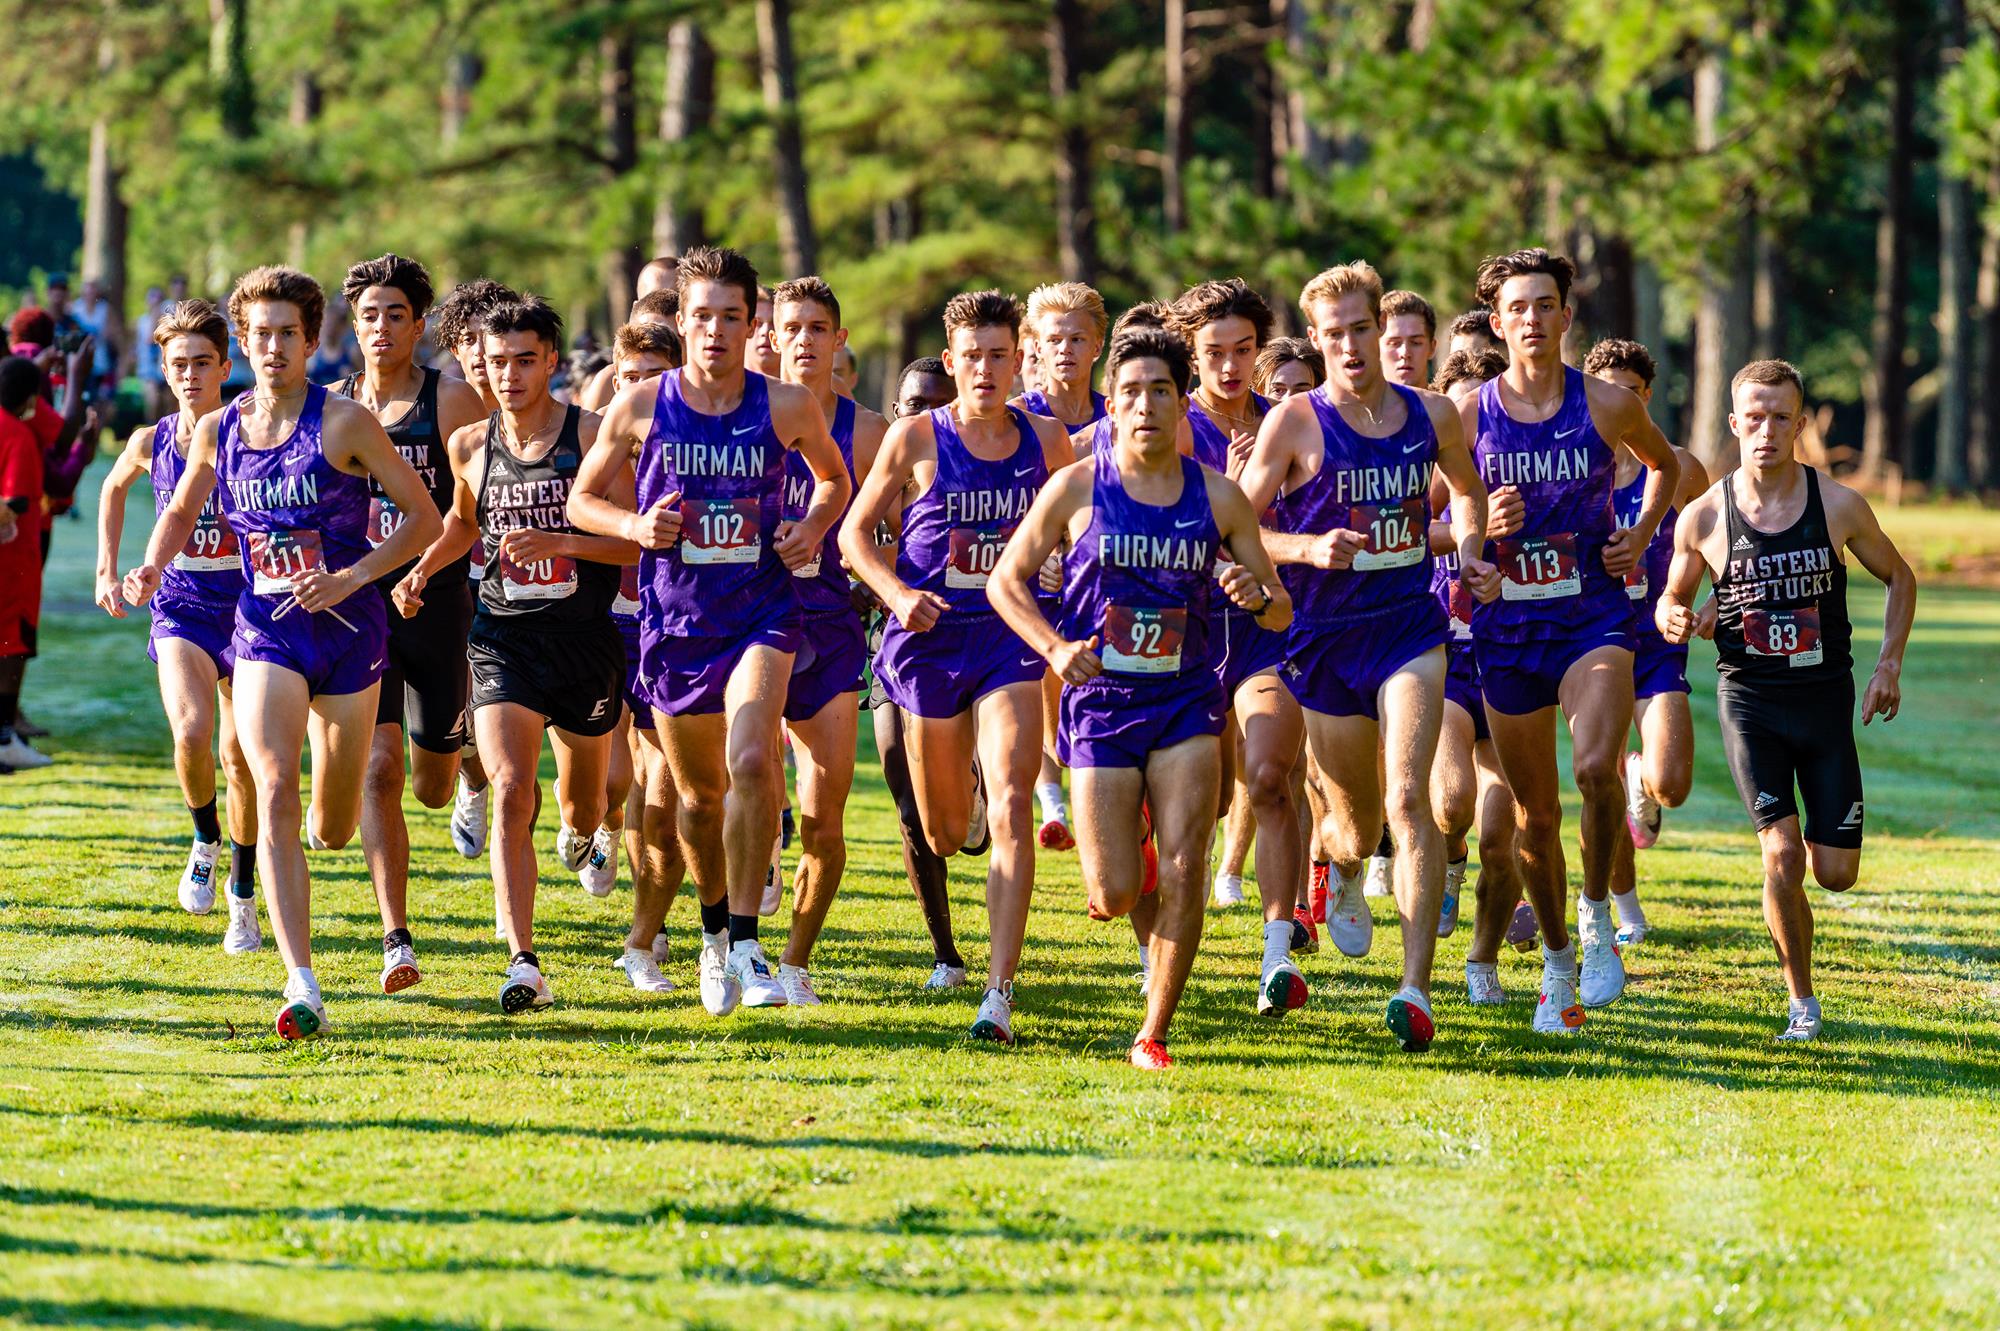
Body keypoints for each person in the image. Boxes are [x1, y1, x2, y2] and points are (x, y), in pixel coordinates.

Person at [128, 264, 441, 1039]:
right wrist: (151, 563)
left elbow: (425, 516)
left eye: (286, 335)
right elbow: (178, 509)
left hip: (348, 631)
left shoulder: (344, 424)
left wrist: (352, 576)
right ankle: (302, 980)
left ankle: (316, 842)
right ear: (243, 341)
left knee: (331, 821)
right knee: (270, 783)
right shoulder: (217, 429)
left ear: (311, 341)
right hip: (265, 628)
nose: (272, 347)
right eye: (258, 334)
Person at [991, 326, 1294, 1068]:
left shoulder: (1219, 498)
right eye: (1130, 392)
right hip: (1099, 705)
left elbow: (1281, 608)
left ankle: (1152, 1029)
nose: (1146, 405)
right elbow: (1006, 580)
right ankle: (1136, 869)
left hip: (1187, 701)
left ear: (1182, 402)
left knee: (1190, 861)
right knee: (1117, 887)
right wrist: (1056, 649)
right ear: (1112, 404)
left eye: (1161, 390)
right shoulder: (1077, 486)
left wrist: (1253, 593)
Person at [572, 245, 852, 1016]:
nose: (718, 331)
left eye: (734, 316)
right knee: (697, 797)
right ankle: (713, 934)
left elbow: (835, 477)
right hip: (678, 622)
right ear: (682, 321)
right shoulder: (639, 406)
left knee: (754, 756)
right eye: (703, 316)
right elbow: (579, 502)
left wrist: (813, 526)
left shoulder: (786, 405)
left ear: (751, 321)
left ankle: (750, 942)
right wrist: (634, 521)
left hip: (762, 609)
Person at [1240, 261, 1496, 1052]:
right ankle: (1342, 865)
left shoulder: (1433, 414)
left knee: (1408, 798)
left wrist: (1476, 553)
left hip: (1408, 630)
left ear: (1381, 330)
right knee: (1354, 824)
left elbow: (1469, 494)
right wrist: (1307, 546)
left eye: (1362, 330)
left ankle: (1415, 989)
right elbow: (1237, 526)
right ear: (1314, 342)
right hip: (1324, 644)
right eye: (1335, 335)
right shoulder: (1295, 422)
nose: (1351, 346)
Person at [840, 289, 1075, 1044]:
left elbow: (1075, 533)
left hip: (1008, 639)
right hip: (928, 641)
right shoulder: (914, 437)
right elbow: (853, 536)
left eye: (999, 356)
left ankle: (998, 992)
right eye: (971, 357)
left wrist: (1064, 575)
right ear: (951, 361)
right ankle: (962, 790)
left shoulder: (1047, 441)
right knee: (944, 833)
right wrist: (898, 594)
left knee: (1012, 806)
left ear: (1019, 361)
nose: (984, 370)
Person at [1657, 359, 1914, 1041]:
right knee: (1782, 855)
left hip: (1825, 701)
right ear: (1734, 422)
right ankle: (1802, 1003)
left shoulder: (1837, 505)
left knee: (1835, 873)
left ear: (1800, 426)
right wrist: (1673, 616)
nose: (1766, 430)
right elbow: (1670, 599)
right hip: (1751, 703)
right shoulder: (1705, 515)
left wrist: (1889, 664)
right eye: (1754, 416)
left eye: (1781, 417)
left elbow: (1900, 576)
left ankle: (1806, 872)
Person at [1459, 248, 1680, 1034]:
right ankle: (1555, 961)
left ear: (1565, 316)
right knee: (1534, 812)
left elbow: (1667, 465)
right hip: (1509, 626)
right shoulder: (1465, 411)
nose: (1531, 319)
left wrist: (1641, 532)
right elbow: (1435, 508)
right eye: (1517, 307)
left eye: (1544, 304)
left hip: (1591, 612)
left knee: (1594, 769)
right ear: (1498, 322)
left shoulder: (1608, 402)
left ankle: (1595, 921)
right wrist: (1478, 533)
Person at [399, 295, 635, 1013]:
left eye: (524, 361)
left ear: (552, 362)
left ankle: (586, 827)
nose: (508, 374)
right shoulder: (469, 443)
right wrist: (421, 569)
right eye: (497, 361)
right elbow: (462, 523)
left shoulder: (592, 434)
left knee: (586, 802)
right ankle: (523, 959)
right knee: (510, 787)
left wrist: (559, 542)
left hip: (584, 641)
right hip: (503, 636)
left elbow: (632, 542)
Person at [334, 254, 490, 994]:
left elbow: (479, 508)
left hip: (437, 604)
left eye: (396, 313)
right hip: (360, 605)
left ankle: (465, 767)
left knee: (427, 783)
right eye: (369, 314)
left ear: (419, 324)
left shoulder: (451, 401)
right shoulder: (331, 405)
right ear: (352, 325)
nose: (382, 327)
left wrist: (425, 568)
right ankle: (396, 937)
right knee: (377, 767)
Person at [93, 300, 261, 949]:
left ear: (225, 364)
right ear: (162, 368)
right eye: (177, 364)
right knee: (192, 733)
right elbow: (112, 488)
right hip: (183, 606)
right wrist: (110, 570)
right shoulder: (152, 439)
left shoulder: (249, 430)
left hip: (249, 609)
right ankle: (204, 837)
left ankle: (243, 894)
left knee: (240, 755)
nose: (189, 374)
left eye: (201, 362)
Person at [1171, 278, 1316, 1012]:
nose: (1230, 367)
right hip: (1186, 637)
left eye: (1244, 350)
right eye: (1214, 352)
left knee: (1268, 778)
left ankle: (1277, 955)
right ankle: (1161, 949)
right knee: (1196, 808)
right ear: (1191, 354)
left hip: (1266, 628)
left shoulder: (1292, 422)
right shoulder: (1166, 422)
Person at [767, 275, 887, 1003]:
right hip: (744, 621)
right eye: (792, 328)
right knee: (738, 785)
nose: (805, 341)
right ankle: (738, 927)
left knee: (824, 815)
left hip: (831, 627)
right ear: (772, 337)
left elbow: (894, 527)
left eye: (818, 329)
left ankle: (795, 962)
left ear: (838, 340)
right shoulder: (741, 414)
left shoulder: (868, 432)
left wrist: (883, 573)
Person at [1582, 338, 1710, 947]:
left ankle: (1643, 776)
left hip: (1657, 642)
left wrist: (1704, 605)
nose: (1622, 403)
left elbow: (1721, 546)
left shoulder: (1681, 467)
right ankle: (1624, 909)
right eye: (1610, 392)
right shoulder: (1577, 467)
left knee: (1671, 785)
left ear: (1647, 397)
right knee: (1597, 784)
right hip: (1593, 644)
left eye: (1633, 392)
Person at [1425, 346, 1535, 1000]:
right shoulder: (1427, 481)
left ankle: (1482, 957)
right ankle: (1450, 860)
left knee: (1506, 834)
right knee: (1451, 802)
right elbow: (1400, 532)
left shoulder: (1532, 476)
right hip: (1445, 659)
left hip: (1516, 656)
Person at [1211, 336, 1325, 911]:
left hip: (1301, 621)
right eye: (1275, 390)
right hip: (1223, 624)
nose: (1286, 400)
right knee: (1223, 786)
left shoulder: (1318, 442)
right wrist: (1238, 488)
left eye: (1300, 389)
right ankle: (1222, 863)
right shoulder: (1234, 442)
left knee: (1285, 769)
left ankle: (1306, 899)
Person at [870, 356, 972, 987]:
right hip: (895, 643)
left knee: (960, 826)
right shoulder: (884, 468)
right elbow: (848, 544)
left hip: (980, 646)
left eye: (937, 402)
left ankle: (971, 790)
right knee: (903, 792)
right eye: (913, 403)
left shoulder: (969, 466)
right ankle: (946, 953)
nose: (925, 413)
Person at [599, 320, 686, 992]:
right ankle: (594, 837)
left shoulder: (694, 444)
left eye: (652, 379)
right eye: (628, 377)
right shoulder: (594, 444)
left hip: (669, 626)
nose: (637, 391)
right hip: (600, 626)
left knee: (663, 777)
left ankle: (643, 931)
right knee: (609, 782)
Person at [1015, 282, 1111, 852]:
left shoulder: (1120, 411)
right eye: (1055, 339)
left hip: (1110, 587)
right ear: (1036, 345)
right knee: (1055, 710)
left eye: (1078, 338)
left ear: (1098, 344)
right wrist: (1048, 553)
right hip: (1033, 587)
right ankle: (1053, 798)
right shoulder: (1015, 417)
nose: (1066, 350)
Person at [427, 277, 520, 859]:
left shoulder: (541, 407)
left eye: (494, 341)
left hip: (531, 586)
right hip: (457, 574)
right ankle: (472, 777)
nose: (485, 358)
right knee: (464, 702)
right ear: (458, 349)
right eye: (470, 343)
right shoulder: (448, 413)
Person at [0, 339, 92, 772]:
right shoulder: (17, 433)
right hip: (14, 559)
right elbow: (19, 499)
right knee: (13, 645)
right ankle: (4, 738)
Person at [579, 257, 679, 411]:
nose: (663, 304)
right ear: (636, 306)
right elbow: (589, 431)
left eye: (676, 298)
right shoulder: (609, 382)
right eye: (652, 297)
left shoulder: (710, 374)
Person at [1380, 289, 1436, 392]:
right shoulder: (1354, 408)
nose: (1405, 353)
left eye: (1416, 343)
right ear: (1375, 348)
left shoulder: (1448, 407)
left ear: (1432, 348)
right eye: (1394, 343)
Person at [136, 285, 169, 419]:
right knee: (153, 401)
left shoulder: (168, 323)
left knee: (167, 403)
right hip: (148, 369)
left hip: (163, 368)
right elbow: (150, 339)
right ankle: (152, 427)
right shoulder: (142, 322)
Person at [747, 284, 782, 378]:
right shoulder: (721, 389)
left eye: (774, 323)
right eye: (757, 323)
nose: (765, 331)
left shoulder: (802, 391)